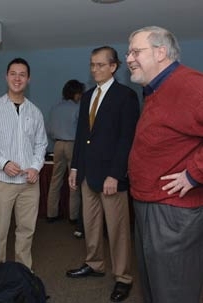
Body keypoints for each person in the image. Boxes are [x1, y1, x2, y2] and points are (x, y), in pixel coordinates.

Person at [127, 26, 203, 303]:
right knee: (153, 287)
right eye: (128, 52)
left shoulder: (189, 84)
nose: (129, 58)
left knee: (174, 290)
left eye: (136, 51)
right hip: (149, 204)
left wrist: (194, 175)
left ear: (161, 52)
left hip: (172, 211)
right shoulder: (156, 90)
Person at [66, 46, 140, 302]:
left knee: (118, 230)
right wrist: (75, 167)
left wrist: (116, 174)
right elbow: (81, 137)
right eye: (92, 65)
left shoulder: (126, 96)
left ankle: (123, 277)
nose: (95, 69)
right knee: (91, 225)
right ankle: (94, 264)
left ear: (113, 66)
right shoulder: (87, 97)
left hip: (111, 177)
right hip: (87, 174)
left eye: (100, 65)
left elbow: (126, 139)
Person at [0, 57, 48, 271]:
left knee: (26, 230)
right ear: (6, 76)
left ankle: (24, 272)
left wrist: (36, 167)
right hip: (2, 182)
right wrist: (4, 163)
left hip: (29, 183)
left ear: (28, 79)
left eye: (22, 74)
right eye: (13, 74)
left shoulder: (35, 112)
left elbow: (41, 144)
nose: (17, 78)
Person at [46, 79, 85, 236]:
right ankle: (73, 216)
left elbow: (49, 130)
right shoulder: (77, 108)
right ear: (76, 93)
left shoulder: (55, 108)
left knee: (55, 181)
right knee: (73, 182)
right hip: (72, 146)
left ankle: (51, 214)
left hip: (57, 145)